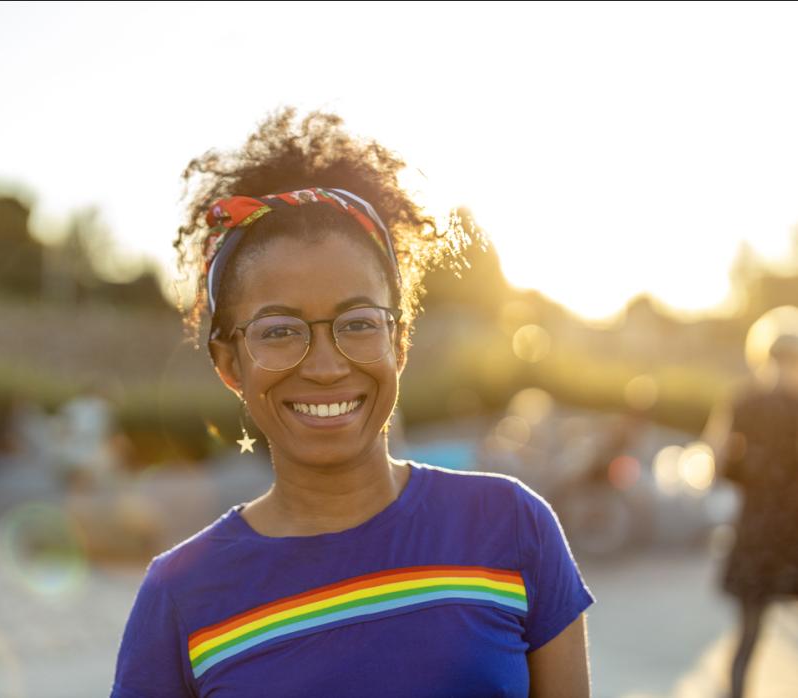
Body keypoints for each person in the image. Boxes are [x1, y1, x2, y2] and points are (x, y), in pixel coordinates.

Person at [111, 108, 595, 697]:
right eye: (280, 330)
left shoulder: (513, 529)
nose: (325, 366)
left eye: (359, 323)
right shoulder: (180, 596)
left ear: (400, 339)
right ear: (229, 363)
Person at [711, 331, 798, 698]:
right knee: (748, 634)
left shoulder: (745, 401)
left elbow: (719, 462)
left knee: (748, 634)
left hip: (757, 530)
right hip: (785, 530)